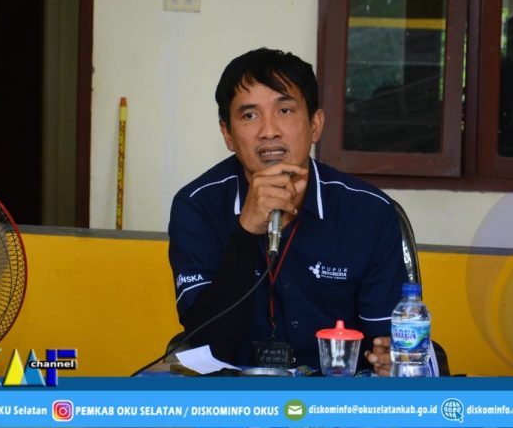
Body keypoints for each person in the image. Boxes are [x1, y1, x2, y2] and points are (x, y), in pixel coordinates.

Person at [168, 48, 408, 372]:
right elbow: (205, 344)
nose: (269, 131)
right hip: (235, 393)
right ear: (227, 134)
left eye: (284, 110)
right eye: (249, 116)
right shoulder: (197, 206)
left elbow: (387, 344)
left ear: (315, 124)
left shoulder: (369, 212)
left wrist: (391, 359)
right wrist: (245, 230)